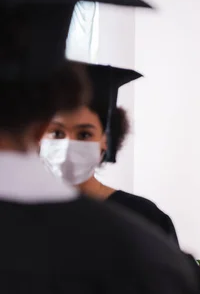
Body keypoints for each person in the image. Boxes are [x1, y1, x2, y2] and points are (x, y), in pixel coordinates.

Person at [0, 0, 200, 294]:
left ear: (106, 138)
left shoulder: (146, 232)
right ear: (41, 123)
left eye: (83, 132)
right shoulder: (149, 262)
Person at [40, 63, 179, 244]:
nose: (68, 145)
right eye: (57, 133)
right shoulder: (19, 213)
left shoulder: (142, 217)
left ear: (106, 140)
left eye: (84, 134)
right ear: (38, 135)